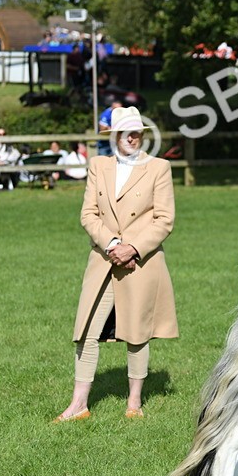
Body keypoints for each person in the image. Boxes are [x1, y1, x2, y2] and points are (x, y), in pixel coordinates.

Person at [55, 107, 178, 422]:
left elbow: (165, 220)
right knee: (86, 331)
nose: (133, 138)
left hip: (140, 263)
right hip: (103, 259)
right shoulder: (99, 165)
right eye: (126, 132)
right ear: (114, 136)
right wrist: (111, 244)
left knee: (137, 333)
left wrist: (133, 248)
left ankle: (134, 403)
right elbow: (88, 213)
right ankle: (78, 405)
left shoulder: (159, 168)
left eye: (137, 132)